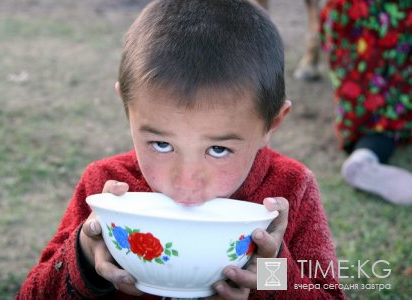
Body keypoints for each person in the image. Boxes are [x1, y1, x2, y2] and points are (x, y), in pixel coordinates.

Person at [17, 0, 345, 299]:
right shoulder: (106, 191)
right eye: (162, 144)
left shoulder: (290, 190)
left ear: (271, 125)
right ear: (127, 108)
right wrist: (85, 257)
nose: (186, 185)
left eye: (218, 149)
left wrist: (273, 277)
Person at [320, 0, 412, 205]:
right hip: (395, 13)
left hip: (349, 11)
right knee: (398, 95)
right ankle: (366, 156)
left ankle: (364, 155)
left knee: (364, 99)